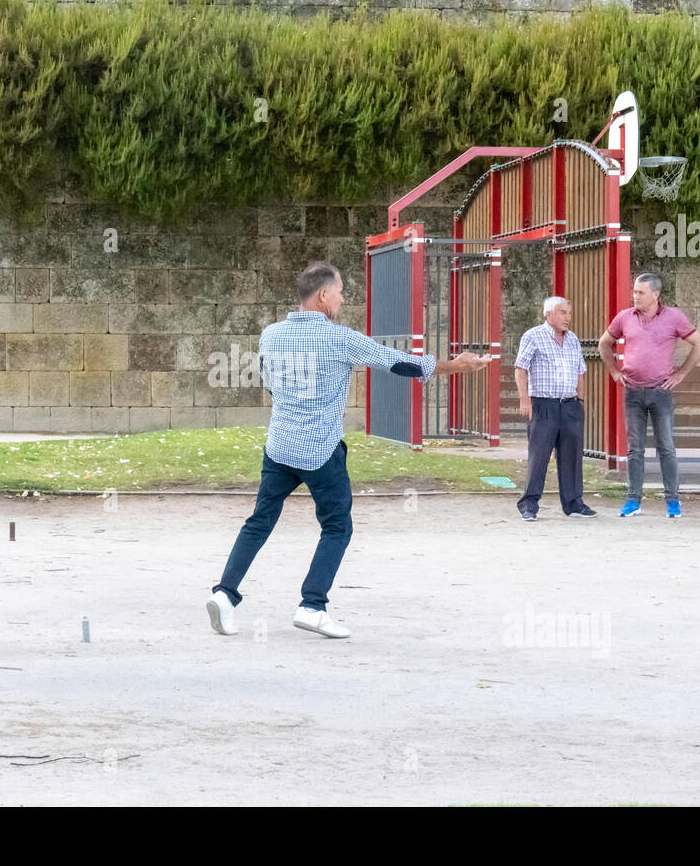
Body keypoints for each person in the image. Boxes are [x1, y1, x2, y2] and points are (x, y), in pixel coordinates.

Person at [207, 261, 490, 639]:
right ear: (323, 295)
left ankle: (225, 595)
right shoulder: (340, 339)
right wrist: (454, 366)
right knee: (337, 526)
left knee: (259, 521)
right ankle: (312, 605)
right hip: (321, 450)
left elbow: (270, 383)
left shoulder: (270, 335)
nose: (342, 299)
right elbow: (399, 363)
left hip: (279, 446)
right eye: (339, 292)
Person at [600, 272, 700, 519]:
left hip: (661, 391)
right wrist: (615, 373)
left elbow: (699, 343)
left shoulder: (674, 317)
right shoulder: (625, 317)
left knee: (666, 447)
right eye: (635, 292)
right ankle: (633, 501)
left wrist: (681, 373)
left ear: (655, 295)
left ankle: (673, 501)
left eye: (641, 293)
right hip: (633, 392)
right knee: (635, 449)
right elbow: (603, 343)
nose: (635, 296)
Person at [514, 296, 593, 522]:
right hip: (543, 404)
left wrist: (581, 399)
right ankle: (529, 504)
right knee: (539, 456)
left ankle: (574, 503)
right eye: (562, 312)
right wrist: (524, 399)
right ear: (548, 315)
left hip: (569, 405)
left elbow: (580, 370)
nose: (568, 317)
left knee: (572, 456)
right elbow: (521, 369)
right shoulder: (533, 336)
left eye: (569, 312)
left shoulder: (573, 339)